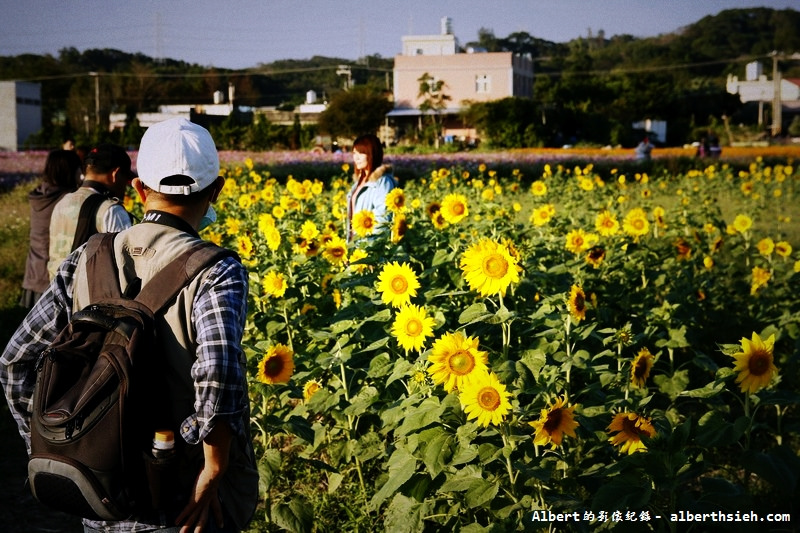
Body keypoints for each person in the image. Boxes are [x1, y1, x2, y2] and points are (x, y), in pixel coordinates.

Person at [1, 117, 258, 532]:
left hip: (100, 497)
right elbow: (218, 372)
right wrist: (213, 467)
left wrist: (59, 443)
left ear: (139, 189)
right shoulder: (216, 271)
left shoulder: (88, 256)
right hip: (180, 502)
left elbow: (15, 361)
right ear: (217, 191)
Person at [46, 143, 135, 279]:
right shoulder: (111, 210)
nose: (125, 187)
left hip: (57, 294)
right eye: (125, 179)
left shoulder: (62, 202)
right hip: (91, 297)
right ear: (115, 174)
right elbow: (126, 268)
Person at [18, 149, 82, 308]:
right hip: (51, 275)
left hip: (34, 271)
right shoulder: (67, 199)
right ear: (70, 171)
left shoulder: (40, 194)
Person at [345, 133, 397, 241]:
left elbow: (383, 219)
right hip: (355, 247)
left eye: (361, 153)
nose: (356, 158)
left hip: (369, 248)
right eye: (354, 153)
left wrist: (363, 234)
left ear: (372, 154)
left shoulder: (382, 182)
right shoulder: (359, 182)